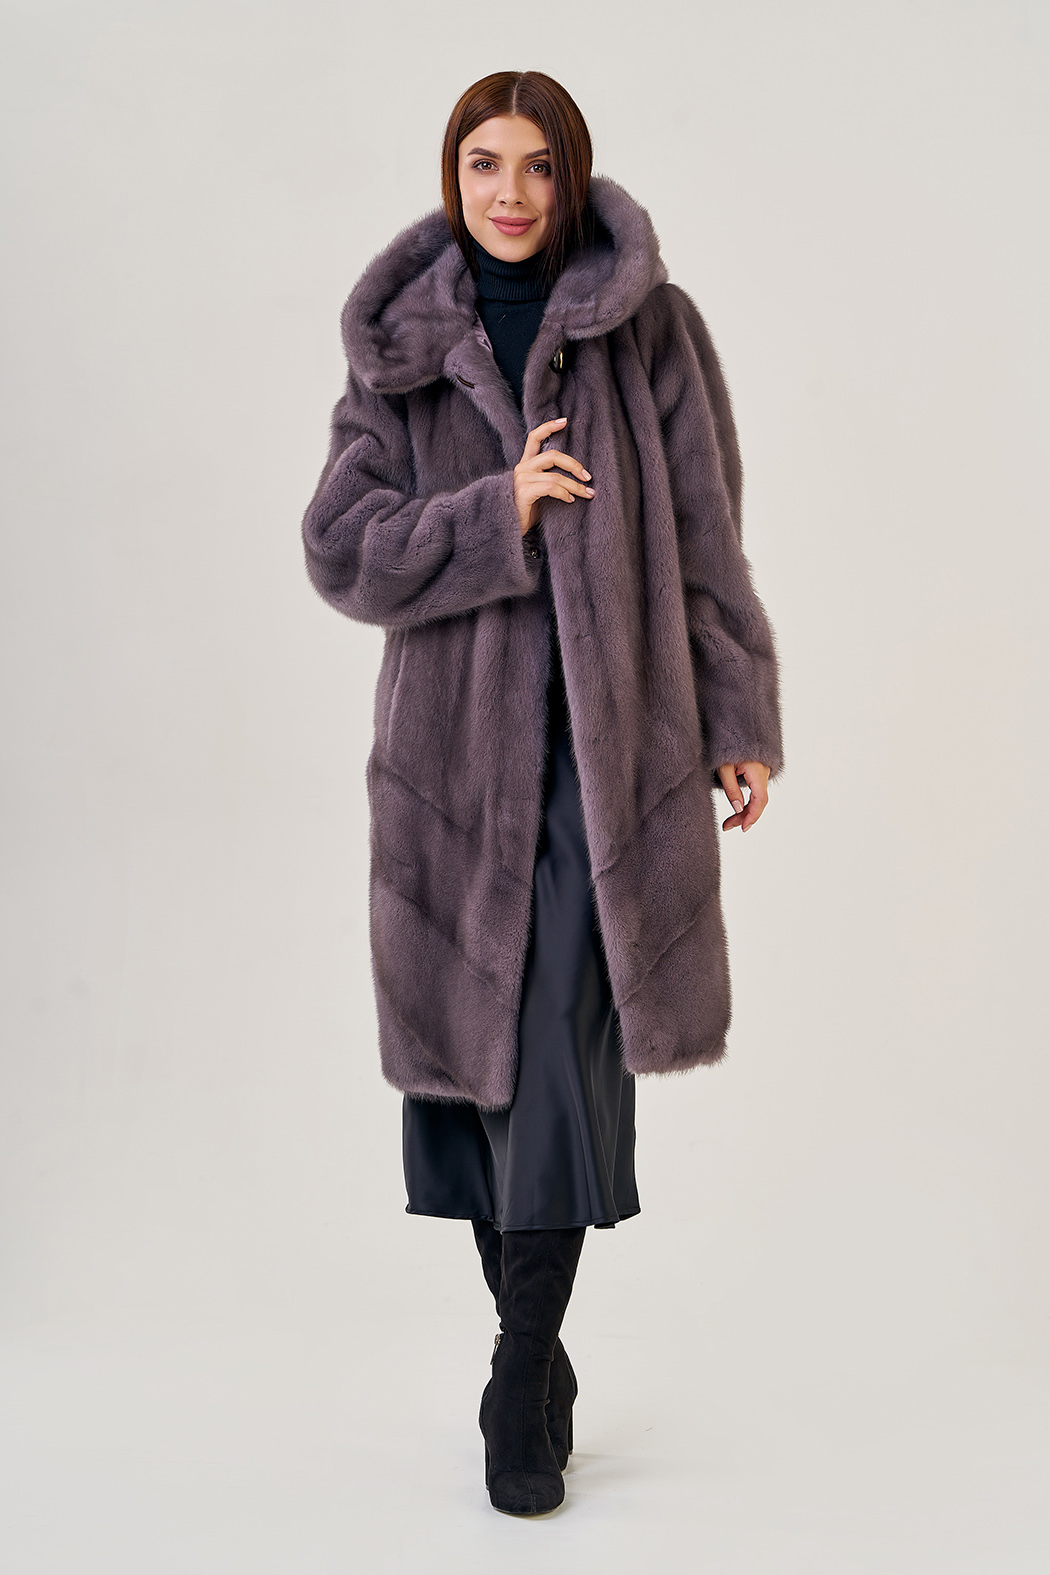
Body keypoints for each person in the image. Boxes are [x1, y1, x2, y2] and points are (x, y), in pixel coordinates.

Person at [300, 70, 784, 1516]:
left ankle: (519, 1366)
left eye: (534, 166)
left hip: (609, 757)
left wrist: (736, 717)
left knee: (559, 1052)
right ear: (451, 176)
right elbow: (340, 547)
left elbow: (707, 536)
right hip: (451, 770)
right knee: (482, 1071)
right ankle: (537, 1351)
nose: (508, 193)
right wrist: (492, 509)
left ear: (570, 175)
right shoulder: (401, 349)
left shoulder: (649, 331)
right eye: (482, 164)